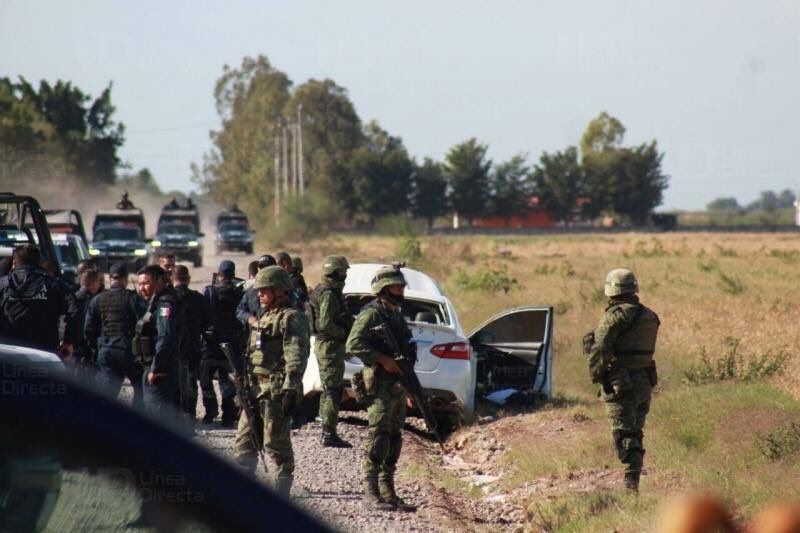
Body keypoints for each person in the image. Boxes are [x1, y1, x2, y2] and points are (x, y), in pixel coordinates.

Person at [233, 266, 309, 497]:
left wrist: (290, 389)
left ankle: (280, 497)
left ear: (279, 290)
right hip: (255, 389)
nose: (260, 295)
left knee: (276, 448)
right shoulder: (266, 314)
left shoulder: (291, 317)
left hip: (275, 392)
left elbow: (295, 355)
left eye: (264, 291)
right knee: (244, 446)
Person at [346, 265, 416, 511]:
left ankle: (389, 492)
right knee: (378, 438)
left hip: (396, 387)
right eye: (397, 286)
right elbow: (354, 343)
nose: (401, 290)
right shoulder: (372, 314)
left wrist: (409, 388)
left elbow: (406, 351)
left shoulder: (395, 314)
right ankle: (371, 492)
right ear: (384, 288)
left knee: (394, 439)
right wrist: (382, 359)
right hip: (379, 386)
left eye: (402, 286)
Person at [586, 268, 660, 491]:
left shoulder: (614, 317)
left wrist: (597, 374)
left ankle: (631, 486)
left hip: (621, 383)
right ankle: (633, 479)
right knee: (635, 431)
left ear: (611, 290)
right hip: (644, 381)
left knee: (624, 434)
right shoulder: (650, 315)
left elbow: (600, 349)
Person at [0, 244, 78, 357]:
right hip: (45, 354)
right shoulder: (55, 284)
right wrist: (68, 342)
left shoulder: (2, 285)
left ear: (14, 263)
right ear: (39, 262)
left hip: (9, 356)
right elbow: (75, 311)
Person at [85, 262, 145, 407]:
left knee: (106, 395)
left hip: (106, 351)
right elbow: (144, 322)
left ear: (110, 279)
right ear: (125, 279)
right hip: (129, 351)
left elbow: (88, 329)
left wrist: (97, 347)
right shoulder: (133, 298)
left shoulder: (97, 299)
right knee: (139, 388)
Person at [310, 255, 353, 447]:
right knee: (333, 390)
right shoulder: (328, 294)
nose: (344, 275)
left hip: (328, 345)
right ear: (334, 272)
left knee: (330, 388)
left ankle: (327, 428)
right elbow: (326, 323)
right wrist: (343, 334)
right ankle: (328, 433)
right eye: (342, 272)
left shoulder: (328, 291)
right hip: (329, 345)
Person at [201, 260, 243, 426]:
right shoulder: (239, 292)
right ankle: (228, 415)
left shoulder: (210, 292)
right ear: (233, 275)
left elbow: (203, 315)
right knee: (229, 380)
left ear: (219, 274)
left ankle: (211, 412)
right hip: (231, 343)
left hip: (211, 343)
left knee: (206, 379)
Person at [135, 264, 181, 414]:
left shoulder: (164, 305)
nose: (142, 288)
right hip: (155, 367)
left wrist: (156, 368)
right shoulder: (155, 302)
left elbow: (165, 337)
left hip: (161, 372)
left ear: (159, 281)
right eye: (140, 284)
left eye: (146, 283)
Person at [172, 265, 209, 423]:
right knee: (191, 381)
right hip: (193, 347)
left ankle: (175, 416)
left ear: (172, 279)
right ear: (188, 279)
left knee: (173, 382)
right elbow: (208, 323)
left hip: (172, 349)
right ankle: (190, 415)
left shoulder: (167, 298)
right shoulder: (198, 298)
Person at [72, 267, 104, 370]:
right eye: (98, 282)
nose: (100, 285)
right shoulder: (93, 301)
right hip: (87, 350)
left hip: (72, 347)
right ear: (93, 283)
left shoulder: (72, 297)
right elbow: (89, 327)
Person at [236, 255, 276, 328]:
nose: (264, 270)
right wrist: (248, 318)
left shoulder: (282, 290)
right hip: (255, 335)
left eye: (267, 267)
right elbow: (239, 311)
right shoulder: (251, 290)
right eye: (261, 268)